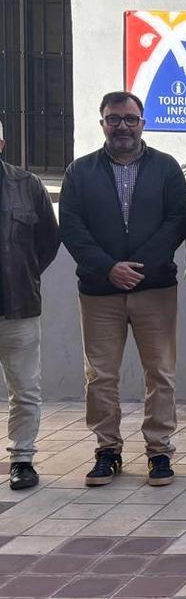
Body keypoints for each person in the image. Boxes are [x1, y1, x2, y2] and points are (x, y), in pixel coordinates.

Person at [58, 92, 186, 487]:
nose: (122, 126)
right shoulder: (80, 172)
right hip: (99, 290)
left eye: (130, 119)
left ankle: (159, 451)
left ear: (142, 122)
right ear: (102, 124)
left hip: (155, 289)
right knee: (100, 375)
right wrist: (109, 268)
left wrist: (137, 268)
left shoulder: (166, 168)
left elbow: (177, 220)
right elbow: (71, 227)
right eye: (114, 119)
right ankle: (107, 450)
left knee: (160, 372)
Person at [0, 119, 58, 490]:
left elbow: (48, 241)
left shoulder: (27, 185)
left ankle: (22, 459)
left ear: (2, 144)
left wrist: (24, 277)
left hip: (18, 306)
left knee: (25, 389)